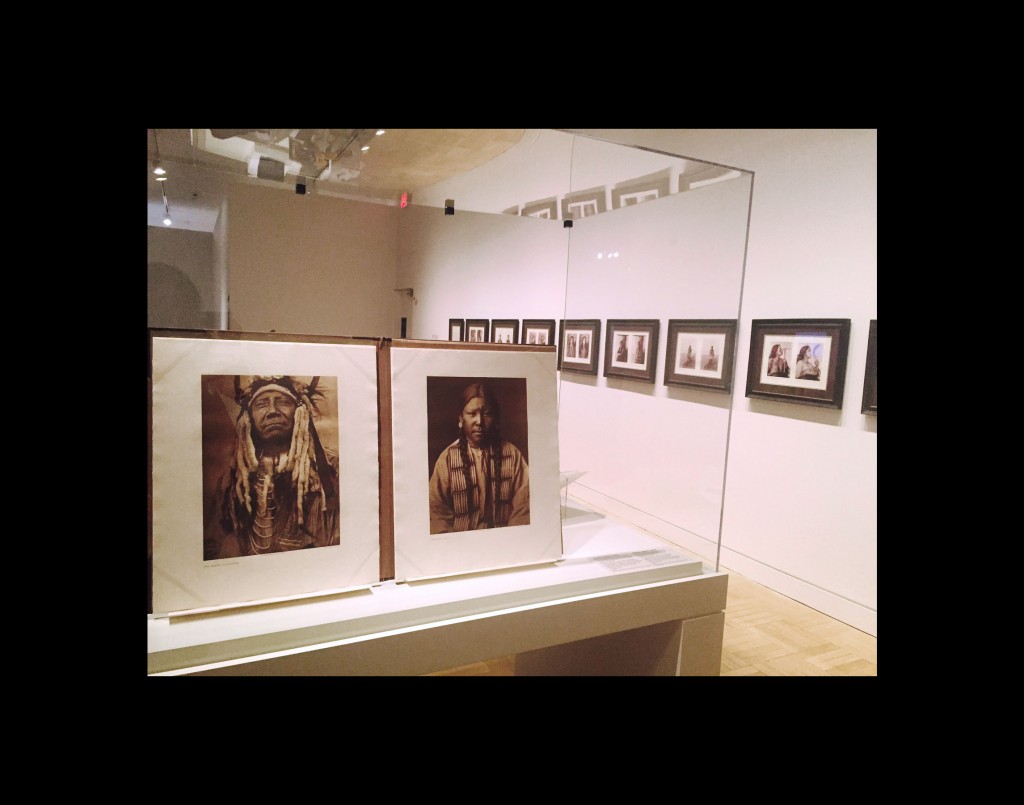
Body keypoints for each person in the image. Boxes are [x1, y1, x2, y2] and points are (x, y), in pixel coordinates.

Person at [205, 375, 340, 559]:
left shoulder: (331, 470)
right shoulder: (235, 478)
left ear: (300, 412)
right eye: (261, 404)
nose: (272, 411)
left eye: (283, 402)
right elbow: (214, 543)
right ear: (248, 417)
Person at [428, 382, 530, 534]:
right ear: (461, 419)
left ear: (495, 419)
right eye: (471, 414)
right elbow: (437, 513)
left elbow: (524, 508)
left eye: (487, 413)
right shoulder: (447, 459)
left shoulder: (513, 455)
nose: (480, 422)